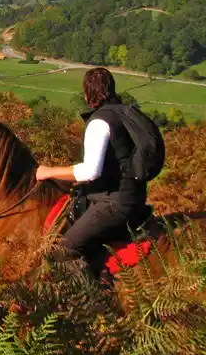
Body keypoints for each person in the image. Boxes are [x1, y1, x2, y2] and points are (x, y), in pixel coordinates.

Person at [35, 68, 151, 272]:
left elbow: (91, 171)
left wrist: (49, 171)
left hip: (114, 203)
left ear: (87, 94)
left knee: (63, 249)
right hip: (135, 195)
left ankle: (92, 299)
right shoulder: (125, 114)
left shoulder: (100, 122)